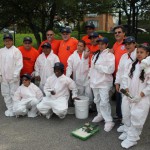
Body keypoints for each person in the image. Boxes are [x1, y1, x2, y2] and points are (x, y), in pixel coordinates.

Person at [119, 44, 150, 149]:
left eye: (142, 52)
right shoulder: (133, 64)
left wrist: (140, 95)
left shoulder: (148, 68)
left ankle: (133, 139)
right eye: (138, 52)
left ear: (147, 54)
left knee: (137, 117)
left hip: (141, 98)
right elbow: (125, 77)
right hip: (130, 95)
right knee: (127, 114)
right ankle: (128, 131)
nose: (139, 54)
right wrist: (126, 87)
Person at [89, 37, 115, 132]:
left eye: (102, 44)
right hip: (94, 82)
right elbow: (92, 67)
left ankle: (109, 120)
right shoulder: (95, 55)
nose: (100, 45)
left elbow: (110, 69)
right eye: (99, 43)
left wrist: (99, 67)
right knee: (97, 100)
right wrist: (89, 76)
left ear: (107, 44)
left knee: (104, 101)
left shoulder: (109, 55)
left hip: (104, 82)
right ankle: (100, 114)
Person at [115, 36, 137, 132]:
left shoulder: (139, 55)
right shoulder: (124, 56)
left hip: (134, 86)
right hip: (124, 86)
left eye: (130, 43)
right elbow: (120, 71)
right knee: (125, 108)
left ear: (134, 44)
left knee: (133, 108)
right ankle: (125, 125)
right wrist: (117, 83)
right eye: (126, 44)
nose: (128, 46)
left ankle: (131, 129)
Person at [0, 33, 23, 117]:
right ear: (4, 42)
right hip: (3, 77)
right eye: (6, 41)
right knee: (6, 93)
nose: (7, 42)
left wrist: (15, 74)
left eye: (9, 40)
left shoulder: (16, 51)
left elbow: (19, 64)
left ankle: (15, 109)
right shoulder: (1, 51)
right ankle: (10, 108)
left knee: (14, 93)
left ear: (12, 41)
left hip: (13, 76)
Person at [112, 25, 128, 121]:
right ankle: (119, 114)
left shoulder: (127, 43)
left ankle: (124, 117)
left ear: (124, 33)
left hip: (125, 76)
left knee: (124, 97)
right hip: (116, 75)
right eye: (115, 32)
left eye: (119, 32)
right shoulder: (115, 44)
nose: (117, 34)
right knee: (118, 96)